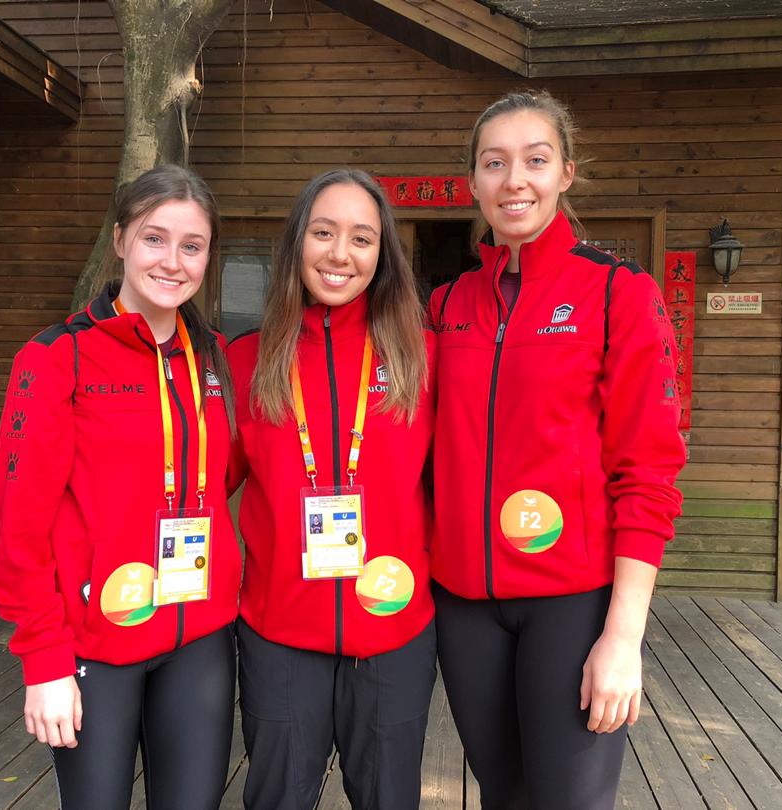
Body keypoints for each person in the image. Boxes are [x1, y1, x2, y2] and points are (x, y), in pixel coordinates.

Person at [427, 90, 686, 809]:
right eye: (494, 163)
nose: (515, 180)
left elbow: (650, 471)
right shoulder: (445, 306)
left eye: (535, 160)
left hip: (572, 603)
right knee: (503, 795)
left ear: (566, 172)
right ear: (473, 182)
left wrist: (623, 637)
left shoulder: (618, 293)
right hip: (464, 605)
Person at [0, 164, 241, 809]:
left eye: (192, 246)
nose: (173, 261)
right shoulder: (56, 357)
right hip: (96, 640)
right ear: (121, 239)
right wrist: (42, 658)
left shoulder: (215, 358)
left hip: (199, 635)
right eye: (155, 238)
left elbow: (224, 477)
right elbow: (19, 525)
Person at [226, 168, 437, 809]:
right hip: (279, 634)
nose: (340, 253)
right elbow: (194, 488)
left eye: (361, 238)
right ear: (297, 241)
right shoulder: (245, 360)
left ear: (382, 254)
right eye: (323, 232)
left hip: (393, 630)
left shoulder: (425, 356)